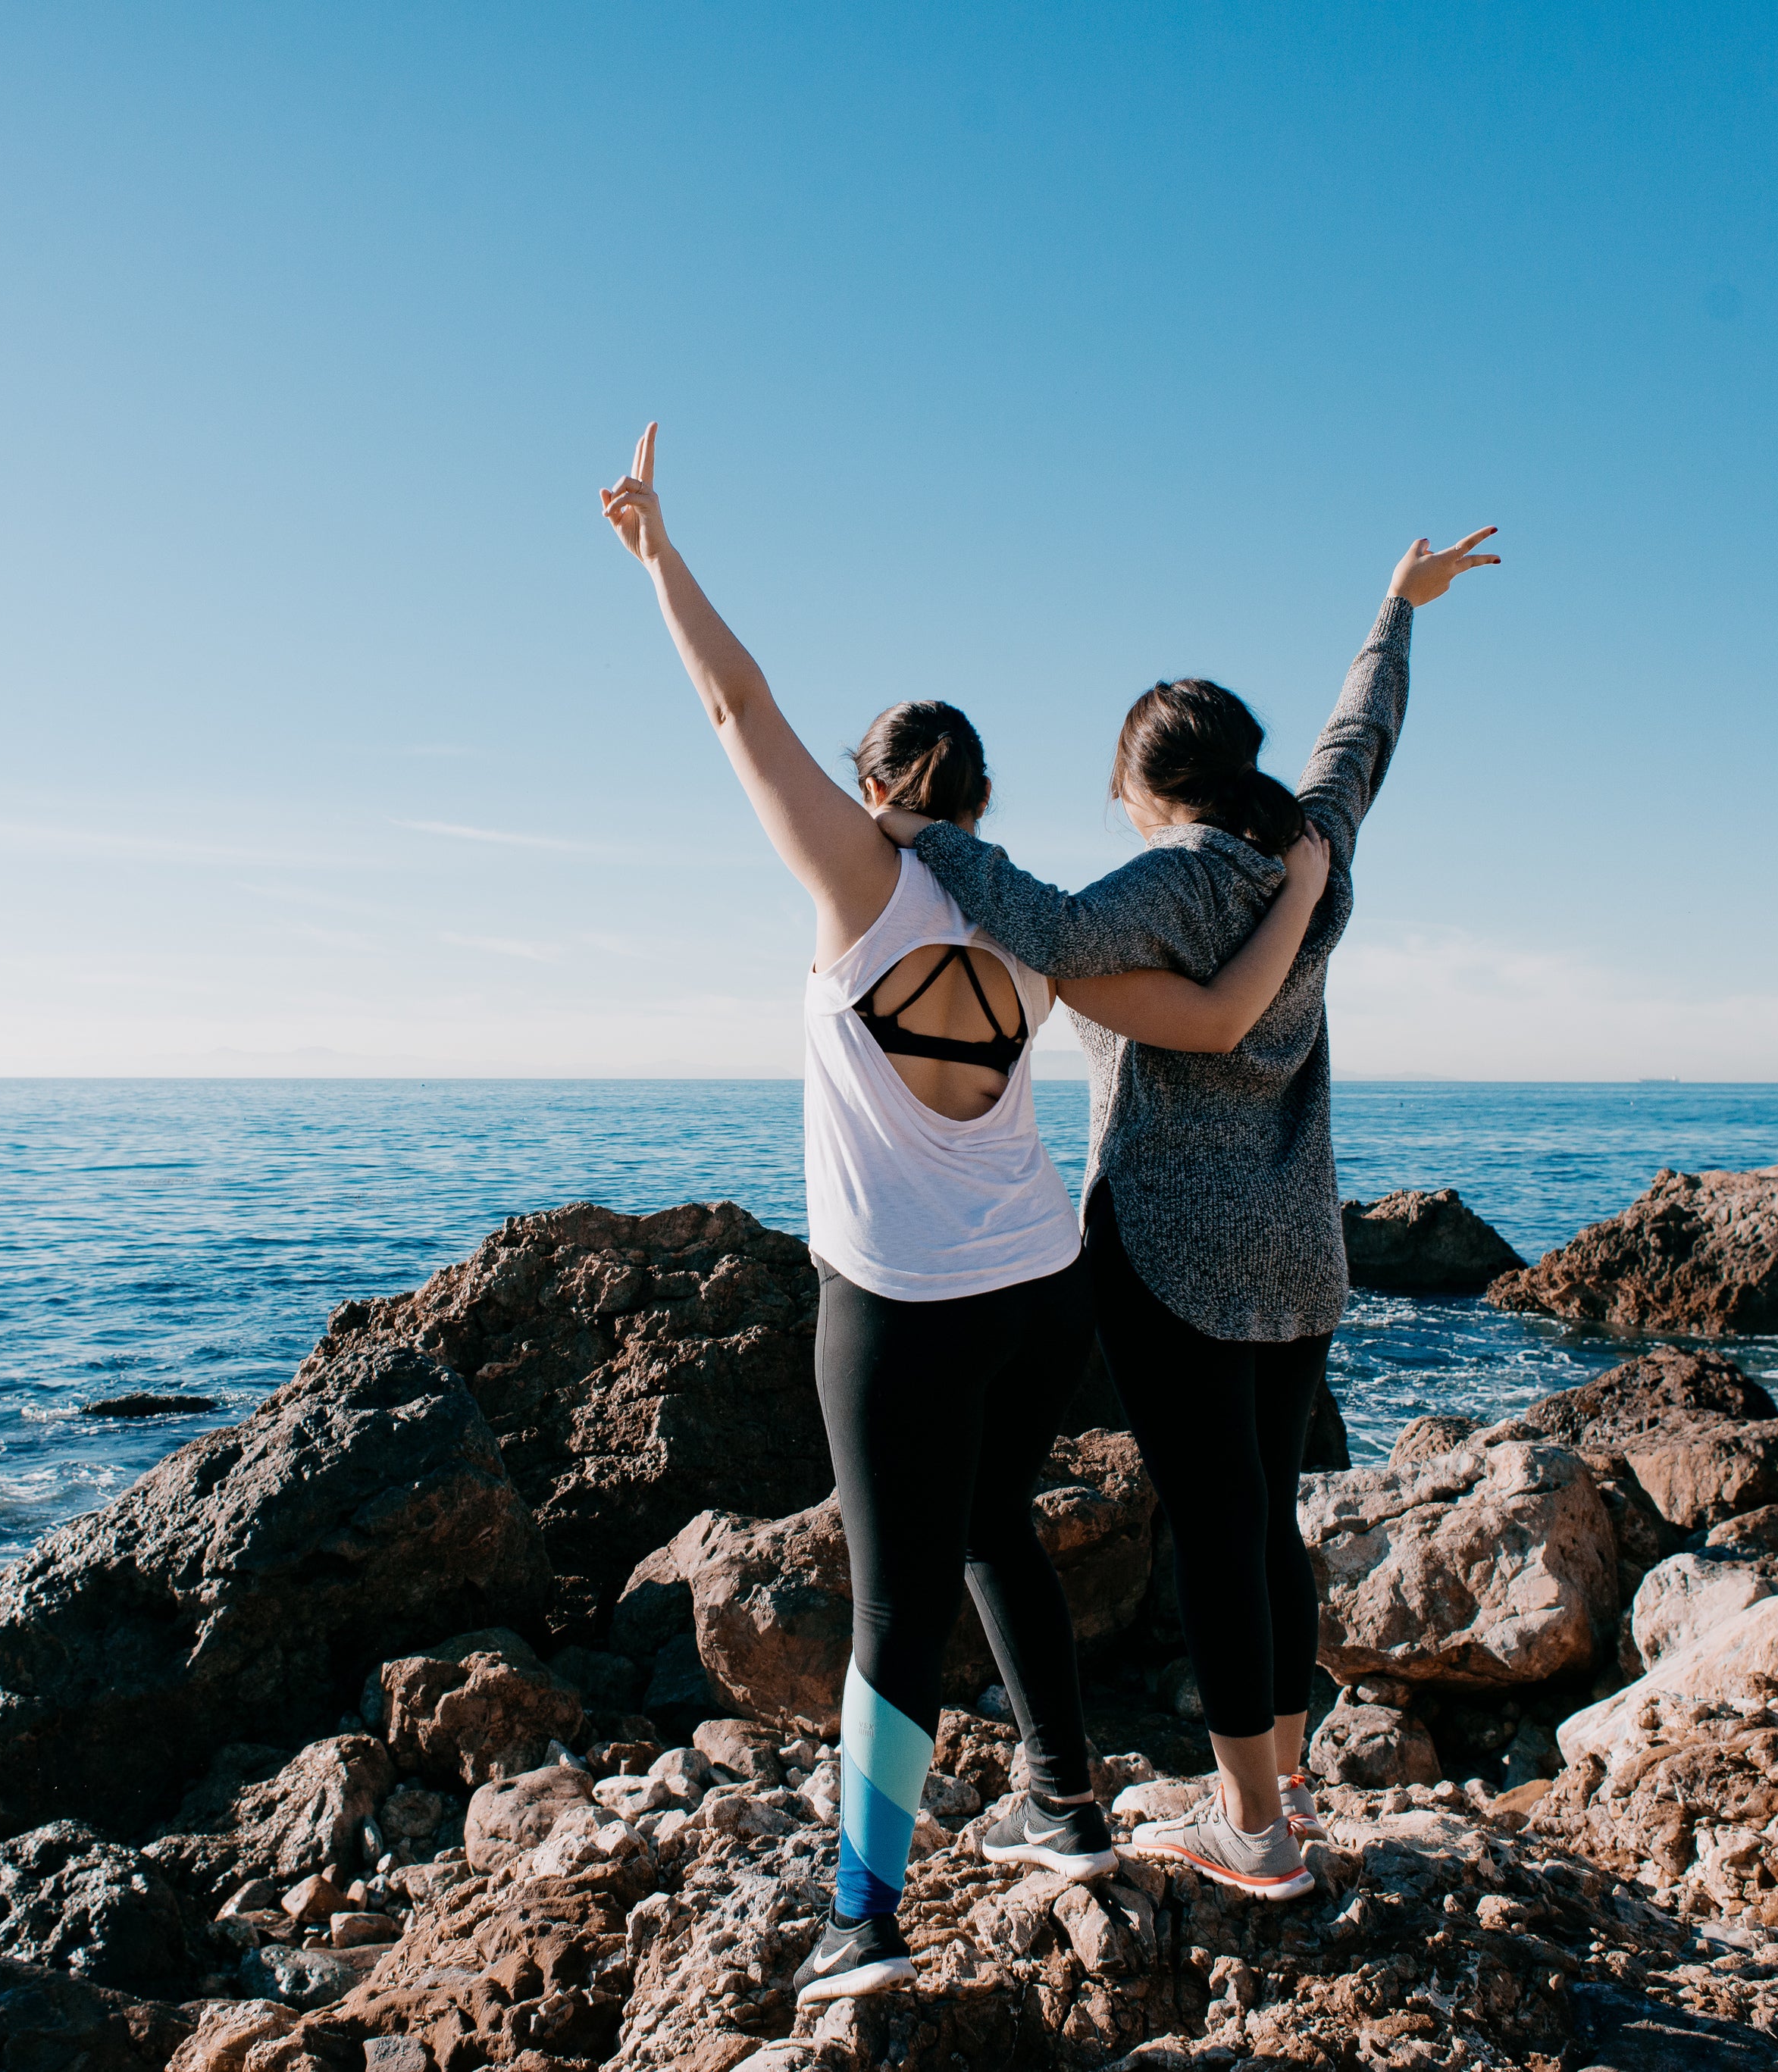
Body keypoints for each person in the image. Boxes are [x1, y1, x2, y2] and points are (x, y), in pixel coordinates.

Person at [598, 425, 1332, 2000]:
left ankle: (861, 1916)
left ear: (875, 790)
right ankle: (1062, 1801)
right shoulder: (1031, 919)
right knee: (997, 1527)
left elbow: (736, 707)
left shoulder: (862, 882)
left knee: (893, 1600)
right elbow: (1204, 1012)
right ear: (986, 790)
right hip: (1043, 1290)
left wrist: (659, 553)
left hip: (904, 1302)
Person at [870, 527, 1500, 1901]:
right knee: (1264, 1515)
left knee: (1212, 1529)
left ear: (1143, 783)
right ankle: (1277, 1783)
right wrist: (1396, 604)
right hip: (1300, 1241)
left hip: (1168, 1247)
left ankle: (1256, 1831)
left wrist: (921, 837)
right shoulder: (1311, 843)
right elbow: (1361, 736)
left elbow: (1040, 925)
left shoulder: (1174, 878)